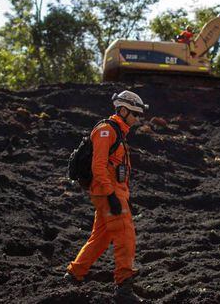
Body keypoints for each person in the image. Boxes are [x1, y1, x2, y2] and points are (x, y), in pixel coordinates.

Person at [64, 90, 148, 302]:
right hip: (107, 193)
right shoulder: (106, 131)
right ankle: (124, 287)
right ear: (123, 110)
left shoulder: (117, 132)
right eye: (135, 114)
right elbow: (98, 166)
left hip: (111, 193)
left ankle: (74, 274)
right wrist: (111, 196)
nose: (137, 119)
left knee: (101, 237)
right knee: (125, 236)